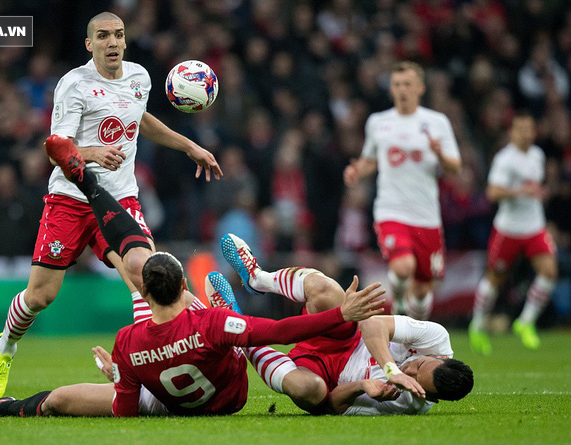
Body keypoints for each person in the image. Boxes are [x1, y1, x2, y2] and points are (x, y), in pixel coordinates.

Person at [0, 11, 223, 400]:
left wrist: (190, 147)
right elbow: (54, 148)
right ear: (89, 44)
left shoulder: (140, 78)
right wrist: (92, 152)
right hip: (71, 198)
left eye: (119, 35)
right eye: (103, 36)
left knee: (146, 276)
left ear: (126, 41)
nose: (112, 42)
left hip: (119, 199)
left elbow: (140, 119)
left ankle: (158, 363)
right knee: (40, 296)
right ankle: (5, 346)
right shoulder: (73, 85)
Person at [0, 252, 386, 418]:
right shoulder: (207, 321)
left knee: (59, 400)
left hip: (164, 402)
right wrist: (341, 315)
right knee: (256, 339)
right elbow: (280, 329)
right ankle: (246, 338)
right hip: (226, 394)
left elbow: (124, 413)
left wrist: (121, 377)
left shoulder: (128, 341)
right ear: (183, 287)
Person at [216, 233, 474, 415]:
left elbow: (332, 405)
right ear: (439, 357)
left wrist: (360, 387)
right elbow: (373, 325)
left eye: (416, 381)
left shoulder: (407, 404)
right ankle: (258, 279)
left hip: (323, 373)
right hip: (345, 336)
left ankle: (239, 334)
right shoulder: (437, 339)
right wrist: (391, 369)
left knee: (309, 390)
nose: (410, 371)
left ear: (429, 398)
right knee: (326, 288)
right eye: (419, 365)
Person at [343, 61, 462, 320]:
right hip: (391, 210)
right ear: (391, 90)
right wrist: (356, 170)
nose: (402, 89)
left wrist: (440, 153)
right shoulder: (379, 122)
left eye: (407, 84)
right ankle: (397, 303)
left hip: (426, 216)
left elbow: (455, 166)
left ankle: (416, 333)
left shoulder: (436, 122)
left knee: (421, 289)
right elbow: (370, 159)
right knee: (403, 265)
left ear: (420, 88)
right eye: (397, 85)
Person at [468, 111, 557, 354]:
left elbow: (534, 188)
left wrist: (539, 193)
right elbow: (492, 192)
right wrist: (520, 192)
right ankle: (477, 325)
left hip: (534, 227)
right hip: (508, 229)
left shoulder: (537, 155)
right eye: (521, 129)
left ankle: (525, 321)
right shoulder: (505, 159)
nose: (526, 133)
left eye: (530, 129)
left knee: (549, 272)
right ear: (512, 132)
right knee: (495, 279)